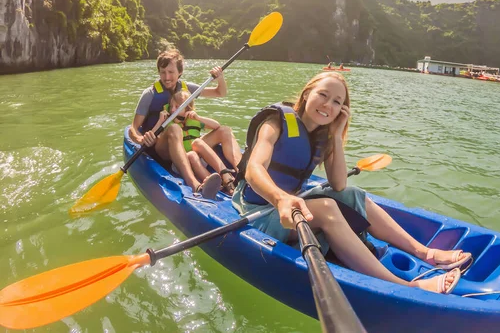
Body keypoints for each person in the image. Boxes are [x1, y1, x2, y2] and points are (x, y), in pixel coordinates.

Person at [232, 72, 470, 294]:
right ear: (307, 94)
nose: (328, 105)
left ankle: (425, 252)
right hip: (261, 210)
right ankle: (407, 286)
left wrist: (336, 135)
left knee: (353, 194)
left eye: (337, 102)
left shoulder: (322, 137)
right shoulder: (277, 122)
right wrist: (280, 198)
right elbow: (254, 169)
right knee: (327, 208)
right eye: (323, 95)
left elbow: (338, 185)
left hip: (293, 206)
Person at [129, 49, 242, 194]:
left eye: (171, 72)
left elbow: (220, 92)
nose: (167, 77)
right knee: (175, 128)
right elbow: (133, 128)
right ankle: (194, 183)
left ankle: (243, 172)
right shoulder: (150, 94)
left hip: (188, 145)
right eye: (162, 72)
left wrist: (220, 78)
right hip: (162, 147)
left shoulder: (187, 89)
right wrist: (140, 139)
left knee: (224, 131)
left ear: (180, 72)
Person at [153, 90, 236, 196]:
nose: (173, 109)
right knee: (192, 155)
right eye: (171, 106)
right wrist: (160, 121)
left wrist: (199, 118)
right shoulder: (168, 124)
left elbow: (217, 126)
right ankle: (217, 188)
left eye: (177, 107)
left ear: (187, 108)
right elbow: (154, 137)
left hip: (198, 158)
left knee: (198, 143)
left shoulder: (193, 119)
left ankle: (224, 177)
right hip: (181, 163)